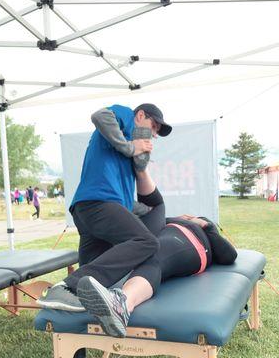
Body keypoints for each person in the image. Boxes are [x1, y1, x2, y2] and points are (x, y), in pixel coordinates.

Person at [37, 103, 172, 329]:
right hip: (98, 204)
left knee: (86, 294)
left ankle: (66, 299)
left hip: (89, 210)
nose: (154, 134)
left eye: (157, 132)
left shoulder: (125, 150)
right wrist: (131, 146)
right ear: (140, 115)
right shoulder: (125, 115)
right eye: (154, 126)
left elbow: (126, 198)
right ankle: (61, 288)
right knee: (146, 241)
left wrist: (147, 208)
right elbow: (99, 115)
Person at [75, 169, 237, 338]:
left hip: (190, 243)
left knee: (155, 256)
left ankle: (122, 305)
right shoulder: (163, 221)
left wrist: (206, 225)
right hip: (161, 243)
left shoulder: (198, 227)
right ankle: (84, 289)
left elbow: (229, 255)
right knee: (148, 253)